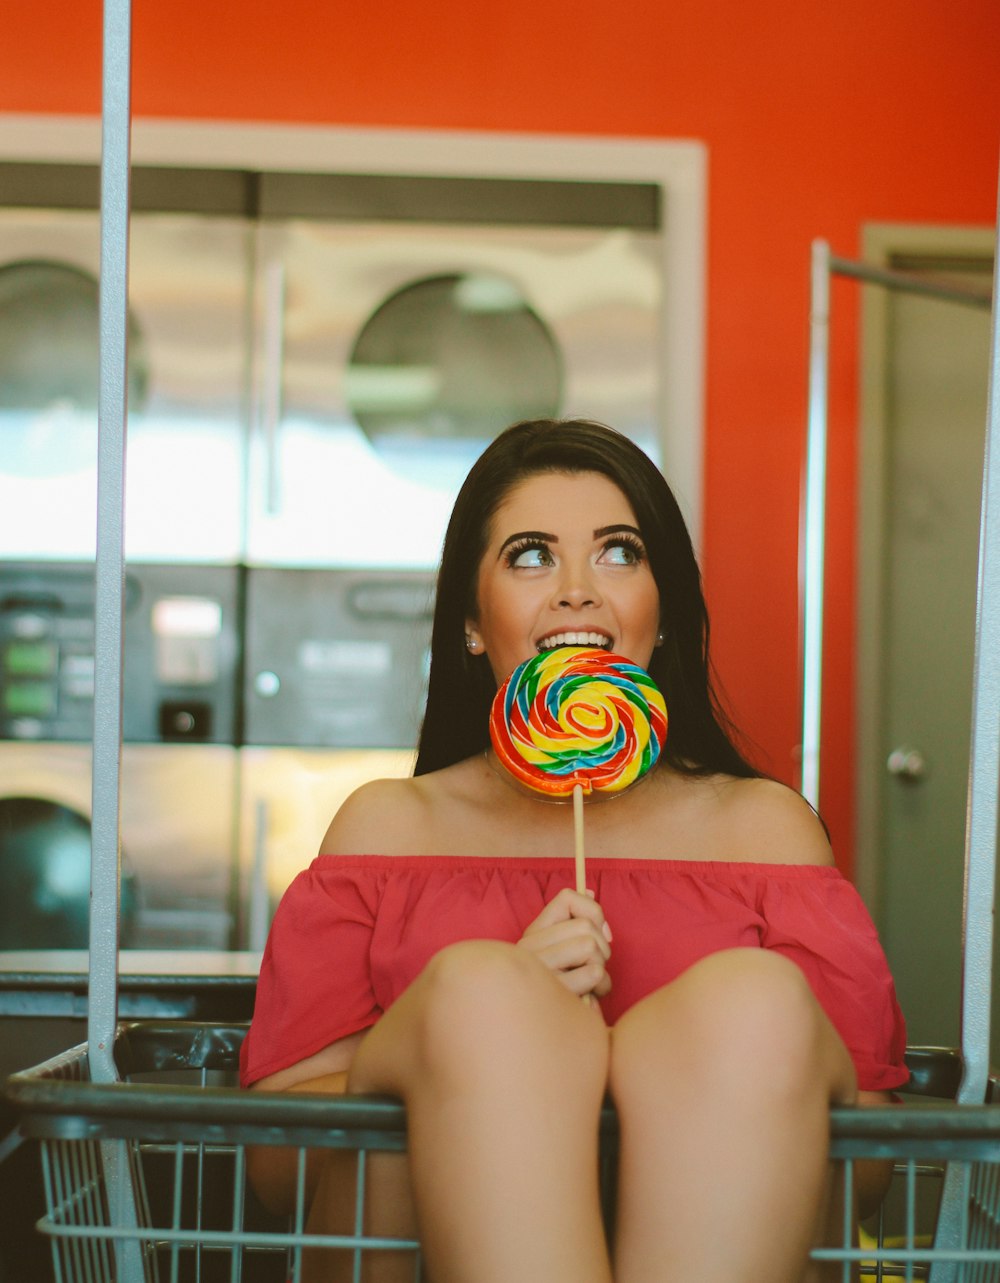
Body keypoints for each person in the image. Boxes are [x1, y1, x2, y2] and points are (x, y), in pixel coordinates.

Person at [241, 418, 908, 1283]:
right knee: (485, 995)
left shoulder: (770, 831)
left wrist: (662, 1073)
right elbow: (273, 1174)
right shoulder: (384, 828)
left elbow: (870, 1174)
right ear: (472, 623)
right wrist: (491, 1028)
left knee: (752, 1002)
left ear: (663, 609)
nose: (576, 592)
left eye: (619, 553)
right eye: (529, 555)